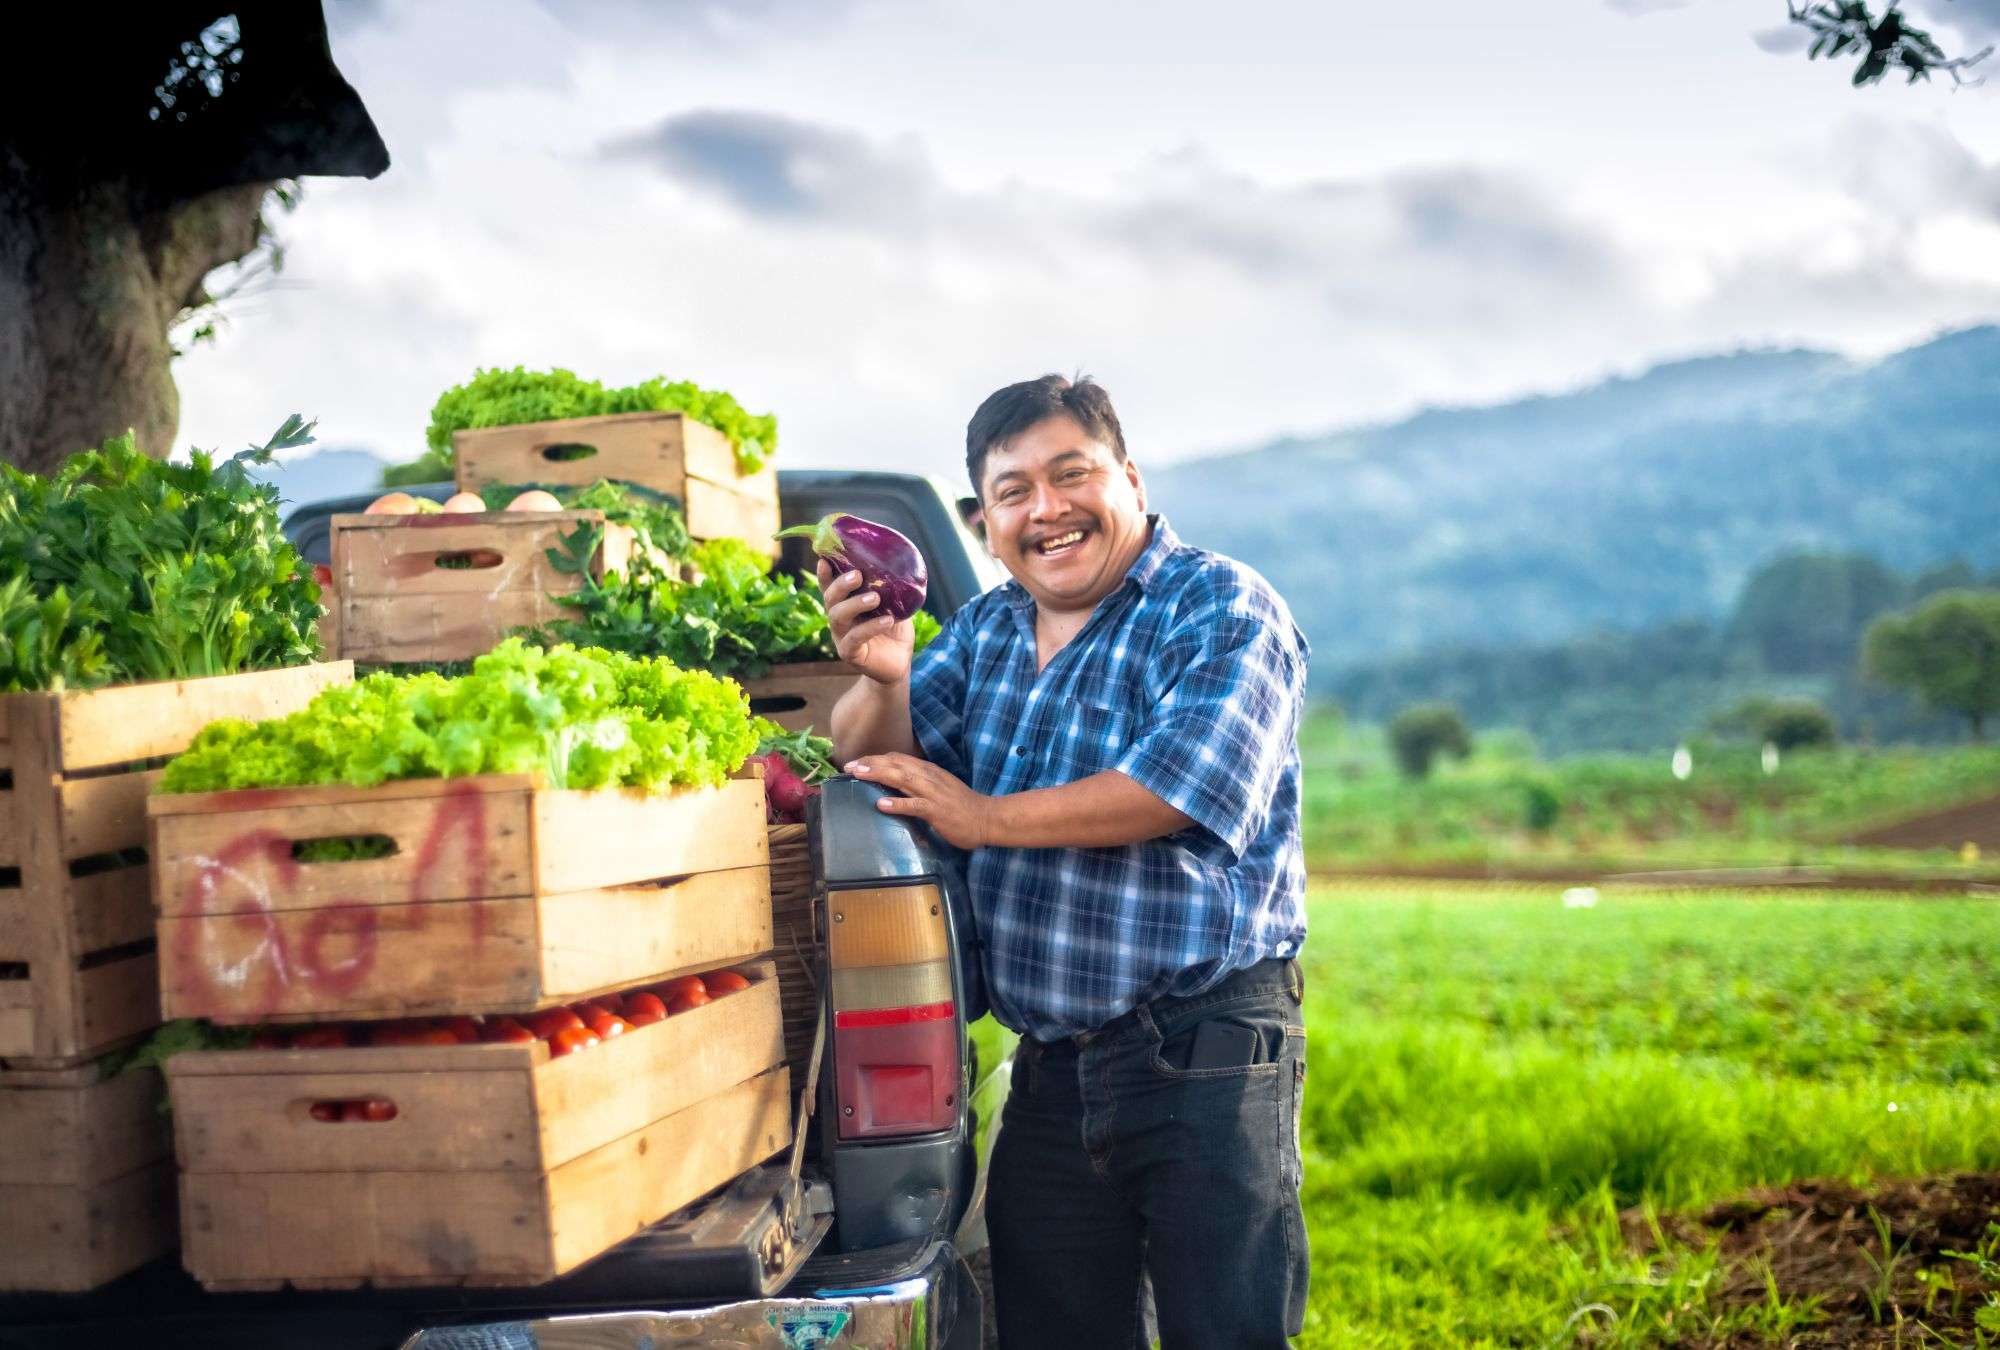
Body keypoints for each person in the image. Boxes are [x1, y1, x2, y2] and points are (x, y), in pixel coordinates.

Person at [820, 373, 1310, 1349]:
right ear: (982, 521)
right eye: (1012, 492)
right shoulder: (990, 629)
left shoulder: (1216, 607)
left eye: (1068, 473)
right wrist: (881, 674)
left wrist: (983, 818)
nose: (1044, 509)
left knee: (1226, 1331)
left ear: (1126, 477)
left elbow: (1180, 789)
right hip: (1049, 1071)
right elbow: (871, 756)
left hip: (1200, 1054)